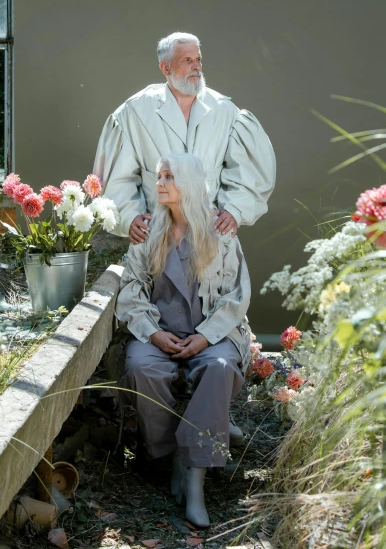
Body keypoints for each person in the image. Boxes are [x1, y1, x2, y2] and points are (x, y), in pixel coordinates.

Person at [115, 154, 251, 528]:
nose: (160, 183)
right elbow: (131, 289)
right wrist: (154, 333)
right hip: (159, 332)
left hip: (211, 332)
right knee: (141, 367)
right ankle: (173, 450)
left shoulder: (220, 232)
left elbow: (236, 296)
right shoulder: (148, 232)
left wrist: (206, 337)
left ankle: (195, 475)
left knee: (220, 367)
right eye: (159, 176)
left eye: (169, 176)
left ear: (188, 183)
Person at [93, 32, 276, 245]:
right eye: (186, 60)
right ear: (165, 68)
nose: (196, 66)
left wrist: (234, 211)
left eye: (198, 59)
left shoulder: (225, 111)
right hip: (155, 233)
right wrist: (129, 217)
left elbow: (248, 173)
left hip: (211, 233)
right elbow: (118, 178)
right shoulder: (134, 112)